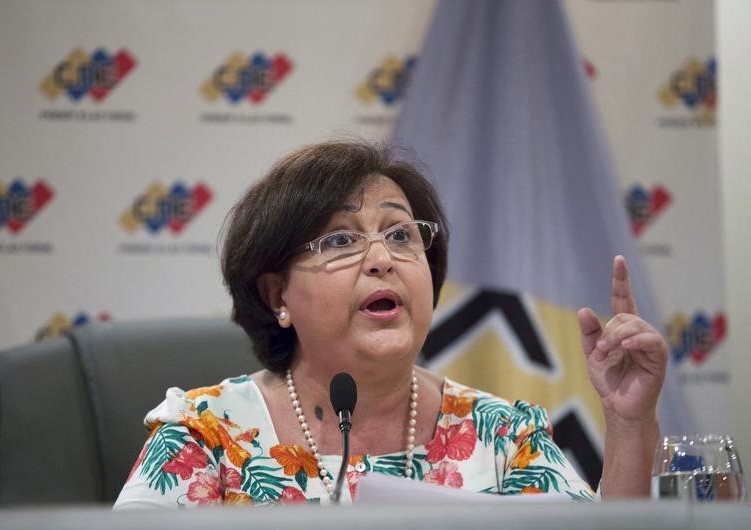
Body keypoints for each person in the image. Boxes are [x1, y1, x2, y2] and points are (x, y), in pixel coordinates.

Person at [114, 140, 666, 508]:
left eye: (401, 234)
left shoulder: (503, 435)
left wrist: (628, 424)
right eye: (340, 240)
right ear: (277, 294)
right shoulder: (206, 435)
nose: (381, 258)